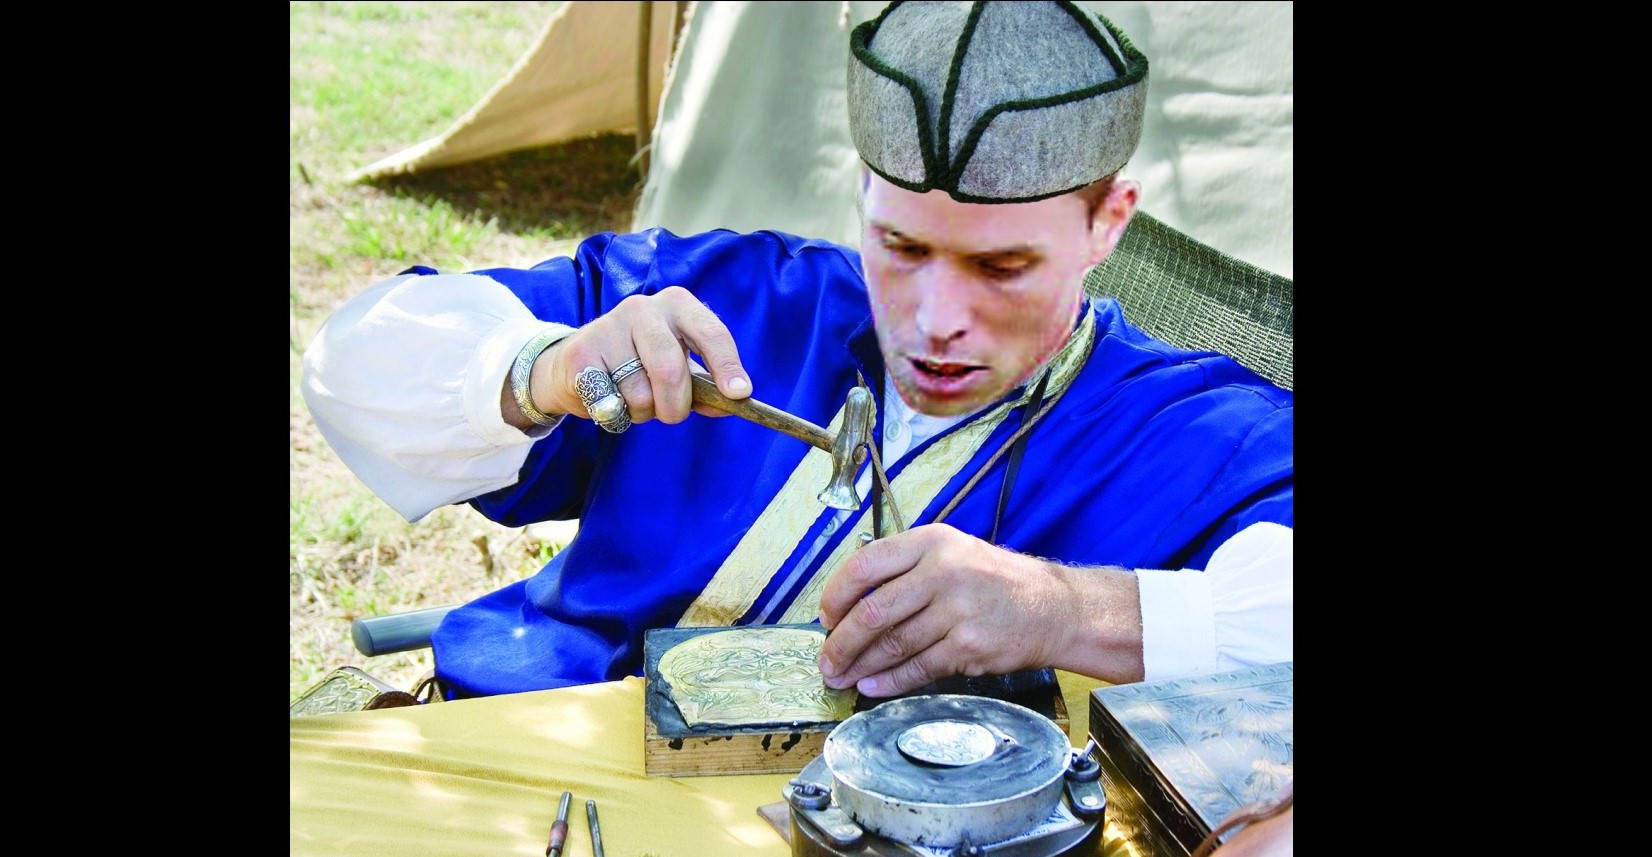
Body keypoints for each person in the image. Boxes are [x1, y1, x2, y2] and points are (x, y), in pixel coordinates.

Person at [301, 0, 1293, 701]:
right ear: (861, 196)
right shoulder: (740, 299)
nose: (934, 318)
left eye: (1001, 267)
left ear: (1108, 221)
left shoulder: (1191, 431)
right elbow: (352, 361)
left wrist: (1065, 608)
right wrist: (542, 372)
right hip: (526, 760)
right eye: (901, 247)